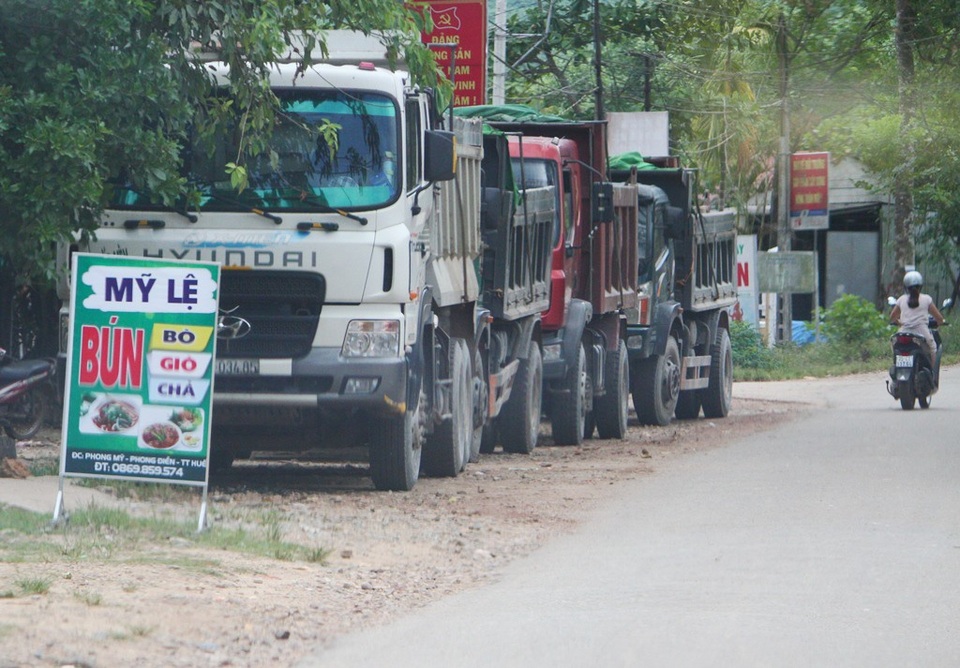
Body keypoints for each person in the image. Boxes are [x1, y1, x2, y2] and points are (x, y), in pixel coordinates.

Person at [889, 270, 945, 363]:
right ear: (921, 286)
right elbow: (938, 317)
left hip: (904, 332)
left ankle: (897, 366)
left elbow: (892, 317)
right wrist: (940, 323)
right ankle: (932, 374)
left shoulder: (901, 299)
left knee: (895, 347)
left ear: (905, 286)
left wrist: (900, 323)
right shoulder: (927, 299)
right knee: (933, 349)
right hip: (922, 332)